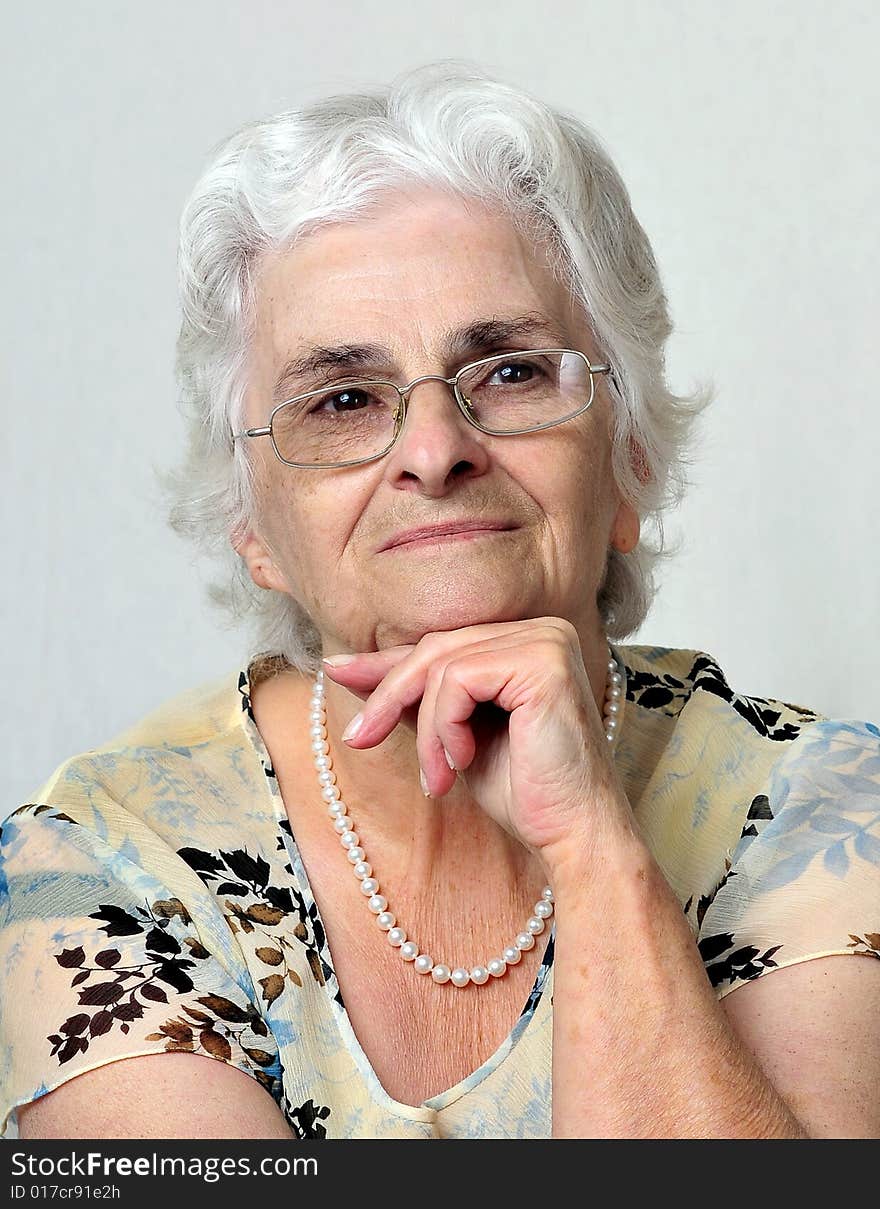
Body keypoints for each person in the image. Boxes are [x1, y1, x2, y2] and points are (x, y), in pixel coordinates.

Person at [2, 61, 878, 1141]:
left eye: (509, 371)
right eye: (343, 400)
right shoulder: (94, 870)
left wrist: (596, 855)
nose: (433, 450)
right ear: (251, 529)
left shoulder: (828, 812)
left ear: (632, 459)